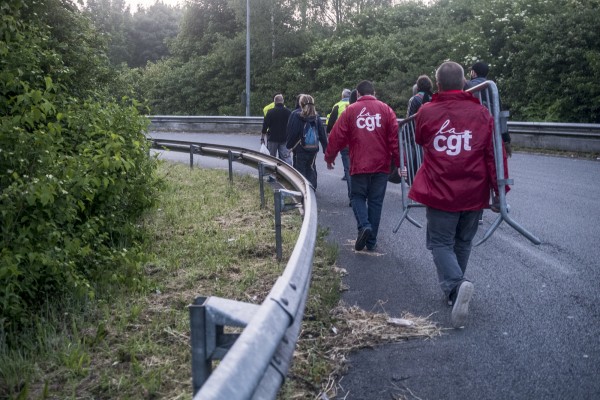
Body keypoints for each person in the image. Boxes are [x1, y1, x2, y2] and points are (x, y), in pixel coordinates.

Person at [408, 61, 509, 328]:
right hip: (474, 192)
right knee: (463, 242)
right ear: (464, 82)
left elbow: (419, 139)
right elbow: (494, 155)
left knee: (440, 242)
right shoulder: (482, 113)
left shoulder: (426, 112)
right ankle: (454, 293)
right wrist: (500, 192)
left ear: (438, 85)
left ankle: (457, 284)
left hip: (441, 190)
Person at [324, 80, 400, 252]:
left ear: (357, 94)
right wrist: (400, 162)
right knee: (376, 202)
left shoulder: (350, 110)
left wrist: (330, 157)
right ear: (374, 92)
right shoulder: (386, 110)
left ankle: (364, 226)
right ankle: (371, 242)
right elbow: (394, 138)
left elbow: (337, 136)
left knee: (357, 197)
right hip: (381, 165)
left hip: (359, 162)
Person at [465, 61, 512, 156]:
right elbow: (500, 114)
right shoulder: (492, 87)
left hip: (471, 135)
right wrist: (506, 139)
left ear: (473, 73)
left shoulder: (467, 87)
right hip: (492, 132)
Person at [286, 94, 328, 189]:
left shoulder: (296, 115)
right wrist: (326, 148)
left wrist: (289, 145)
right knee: (311, 167)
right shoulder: (316, 116)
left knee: (299, 169)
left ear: (301, 103)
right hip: (313, 148)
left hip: (300, 148)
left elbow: (292, 132)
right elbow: (322, 134)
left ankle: (302, 189)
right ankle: (312, 188)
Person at [326, 88, 352, 203]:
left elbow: (331, 122)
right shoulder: (355, 104)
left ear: (342, 96)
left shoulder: (337, 105)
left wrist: (329, 133)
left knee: (348, 168)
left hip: (344, 140)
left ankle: (352, 196)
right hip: (357, 140)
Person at [261, 94, 292, 164]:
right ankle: (287, 173)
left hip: (272, 139)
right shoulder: (288, 112)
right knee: (286, 158)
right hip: (285, 139)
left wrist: (262, 139)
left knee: (271, 158)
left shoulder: (270, 112)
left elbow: (264, 127)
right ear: (283, 101)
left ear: (274, 102)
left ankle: (271, 173)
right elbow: (291, 126)